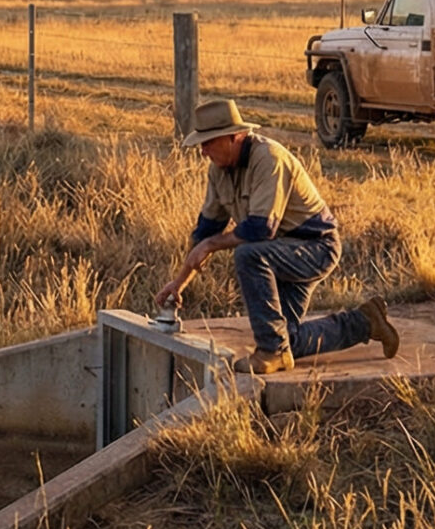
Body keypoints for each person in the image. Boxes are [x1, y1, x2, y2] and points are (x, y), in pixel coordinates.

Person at [152, 98, 397, 374]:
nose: (203, 151)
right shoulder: (218, 171)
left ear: (234, 137)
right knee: (286, 340)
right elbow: (205, 233)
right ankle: (365, 322)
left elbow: (260, 229)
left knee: (248, 255)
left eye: (208, 142)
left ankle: (270, 352)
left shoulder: (269, 158)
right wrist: (178, 284)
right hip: (280, 253)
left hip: (315, 248)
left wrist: (211, 244)